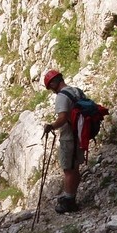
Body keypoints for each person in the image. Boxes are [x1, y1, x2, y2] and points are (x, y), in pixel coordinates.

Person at [42, 69, 85, 214]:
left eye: (50, 87)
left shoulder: (61, 96)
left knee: (68, 170)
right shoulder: (76, 91)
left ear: (54, 83)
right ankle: (71, 196)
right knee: (75, 168)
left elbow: (62, 118)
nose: (51, 90)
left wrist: (51, 126)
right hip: (80, 135)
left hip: (69, 137)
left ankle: (69, 201)